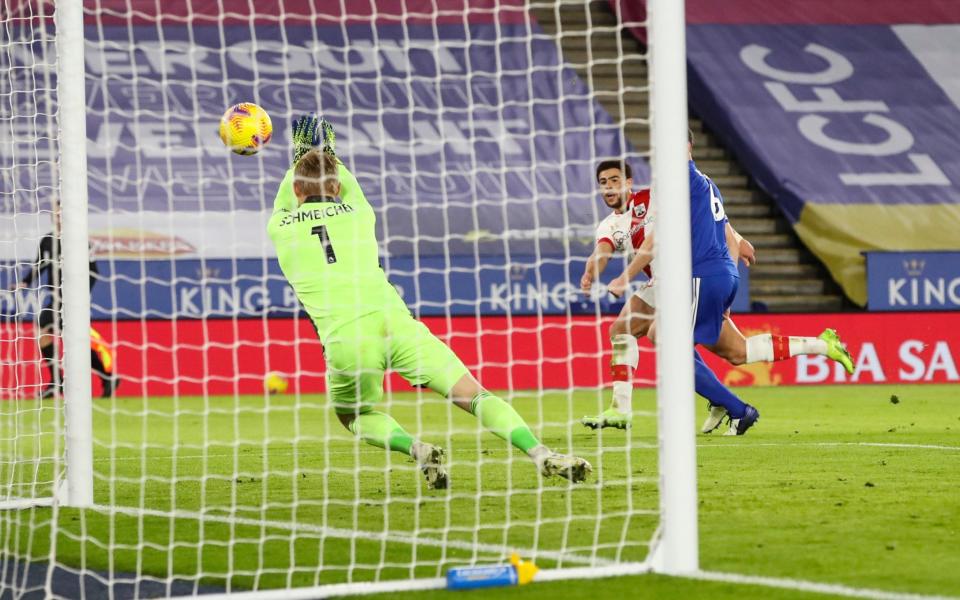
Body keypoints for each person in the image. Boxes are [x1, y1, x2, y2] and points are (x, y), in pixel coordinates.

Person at [267, 115, 591, 488]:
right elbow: (340, 181)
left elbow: (287, 195)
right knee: (473, 394)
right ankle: (541, 454)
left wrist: (299, 158)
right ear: (337, 184)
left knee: (353, 416)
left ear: (295, 189)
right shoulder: (359, 212)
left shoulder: (280, 226)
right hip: (397, 323)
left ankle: (417, 448)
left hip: (346, 338)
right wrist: (328, 153)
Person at [588, 132, 854, 435]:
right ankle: (823, 344)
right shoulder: (706, 183)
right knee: (737, 351)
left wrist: (625, 277)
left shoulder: (678, 182)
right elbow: (726, 230)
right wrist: (736, 259)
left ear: (686, 147)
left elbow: (656, 239)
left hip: (698, 277)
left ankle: (735, 407)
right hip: (716, 277)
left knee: (663, 339)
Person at [11, 208, 118, 398]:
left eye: (62, 214)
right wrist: (25, 282)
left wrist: (81, 296)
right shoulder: (48, 240)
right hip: (55, 298)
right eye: (56, 214)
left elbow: (93, 272)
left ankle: (106, 377)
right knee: (43, 332)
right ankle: (56, 382)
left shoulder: (81, 242)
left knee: (76, 342)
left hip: (73, 301)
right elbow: (39, 265)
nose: (59, 217)